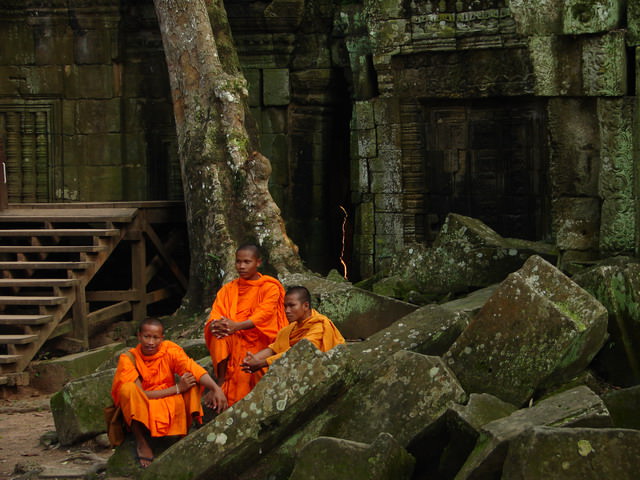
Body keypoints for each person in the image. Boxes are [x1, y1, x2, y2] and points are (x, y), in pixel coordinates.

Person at [111, 318, 227, 468]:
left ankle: (183, 435)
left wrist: (216, 388)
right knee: (128, 390)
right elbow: (139, 395)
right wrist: (177, 389)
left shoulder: (169, 350)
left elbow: (192, 368)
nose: (151, 342)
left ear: (162, 338)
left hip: (170, 401)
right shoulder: (128, 359)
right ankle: (141, 442)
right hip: (144, 405)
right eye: (147, 336)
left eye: (155, 338)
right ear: (139, 336)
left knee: (191, 381)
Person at [203, 244, 287, 406]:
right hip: (232, 336)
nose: (241, 266)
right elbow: (217, 312)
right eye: (238, 262)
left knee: (244, 373)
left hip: (260, 340)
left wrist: (237, 326)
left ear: (258, 262)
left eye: (247, 262)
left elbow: (264, 315)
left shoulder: (270, 287)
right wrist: (215, 324)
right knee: (217, 335)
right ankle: (221, 380)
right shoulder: (228, 289)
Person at [241, 286, 345, 372]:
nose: (287, 310)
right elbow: (273, 348)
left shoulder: (319, 326)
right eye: (285, 306)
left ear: (305, 306)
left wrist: (261, 363)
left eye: (291, 306)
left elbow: (301, 351)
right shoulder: (288, 330)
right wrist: (254, 359)